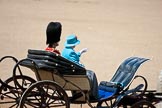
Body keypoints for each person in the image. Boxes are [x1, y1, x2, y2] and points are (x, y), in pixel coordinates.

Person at [61, 34, 99, 99]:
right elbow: (76, 64)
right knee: (92, 73)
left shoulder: (65, 50)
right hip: (73, 72)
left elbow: (72, 59)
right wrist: (82, 66)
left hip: (67, 70)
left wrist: (80, 52)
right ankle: (94, 95)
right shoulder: (71, 52)